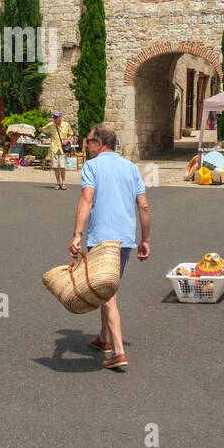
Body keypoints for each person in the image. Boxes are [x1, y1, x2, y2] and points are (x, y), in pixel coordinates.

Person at [69, 124, 150, 372]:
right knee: (108, 288)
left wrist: (77, 235)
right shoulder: (130, 167)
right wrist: (145, 239)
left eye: (89, 140)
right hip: (125, 239)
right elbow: (144, 206)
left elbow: (86, 199)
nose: (87, 144)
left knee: (107, 294)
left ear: (101, 142)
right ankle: (104, 338)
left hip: (101, 239)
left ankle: (118, 351)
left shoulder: (92, 167)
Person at [40, 110, 76, 189]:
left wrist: (67, 140)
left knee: (62, 167)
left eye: (56, 117)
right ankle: (58, 183)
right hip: (54, 147)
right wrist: (47, 135)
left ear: (60, 118)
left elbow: (71, 134)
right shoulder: (50, 125)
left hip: (63, 149)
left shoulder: (66, 125)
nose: (54, 119)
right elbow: (42, 130)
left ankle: (63, 183)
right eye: (53, 117)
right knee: (55, 167)